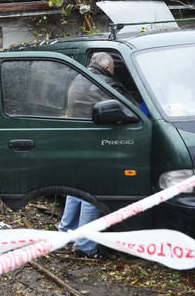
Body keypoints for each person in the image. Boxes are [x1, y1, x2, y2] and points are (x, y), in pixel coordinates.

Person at [60, 52, 135, 259]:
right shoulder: (104, 83)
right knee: (93, 196)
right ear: (108, 67)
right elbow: (131, 109)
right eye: (113, 69)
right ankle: (85, 247)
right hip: (95, 144)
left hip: (77, 142)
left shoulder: (80, 78)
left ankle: (66, 235)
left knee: (76, 191)